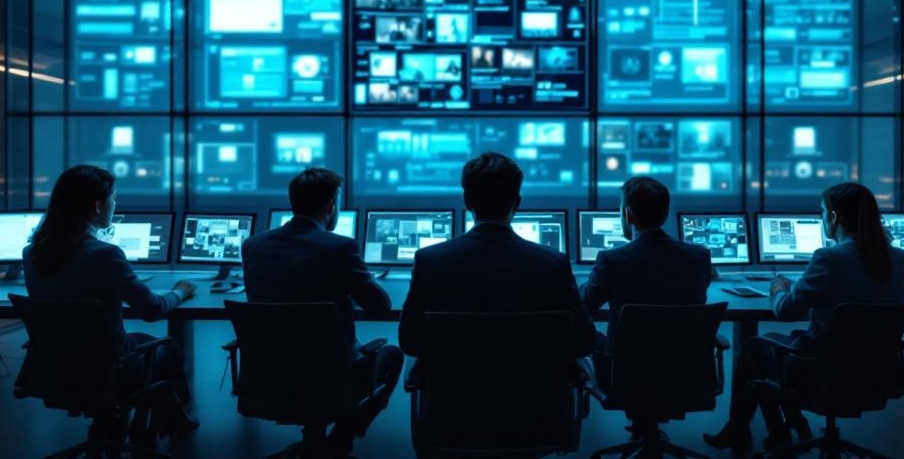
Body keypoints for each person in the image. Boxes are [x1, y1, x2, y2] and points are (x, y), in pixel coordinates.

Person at [704, 182, 904, 453]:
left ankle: (748, 431)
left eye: (823, 213)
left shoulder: (830, 257)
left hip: (824, 371)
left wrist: (778, 288)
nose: (822, 219)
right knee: (770, 358)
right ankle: (787, 428)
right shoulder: (899, 258)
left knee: (754, 349)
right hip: (876, 372)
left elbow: (787, 310)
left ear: (833, 217)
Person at [23, 165, 198, 437]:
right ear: (97, 205)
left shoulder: (31, 253)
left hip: (52, 366)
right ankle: (161, 424)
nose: (116, 205)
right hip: (106, 368)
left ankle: (134, 420)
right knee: (169, 349)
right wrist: (180, 292)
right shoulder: (105, 254)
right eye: (114, 199)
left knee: (139, 340)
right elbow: (151, 309)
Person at [241, 168, 403, 452]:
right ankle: (344, 433)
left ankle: (325, 438)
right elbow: (380, 306)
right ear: (331, 207)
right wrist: (359, 284)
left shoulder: (254, 246)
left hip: (271, 373)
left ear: (293, 204)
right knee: (393, 354)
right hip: (334, 376)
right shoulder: (341, 247)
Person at [399, 151, 597, 363]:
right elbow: (584, 341)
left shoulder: (429, 261)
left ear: (466, 201)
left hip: (452, 393)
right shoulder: (553, 263)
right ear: (517, 203)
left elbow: (409, 341)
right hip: (534, 393)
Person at [579, 176, 712, 438]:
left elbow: (585, 307)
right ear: (665, 212)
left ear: (627, 214)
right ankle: (646, 426)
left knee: (586, 336)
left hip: (625, 375)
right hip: (684, 372)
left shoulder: (612, 260)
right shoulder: (699, 256)